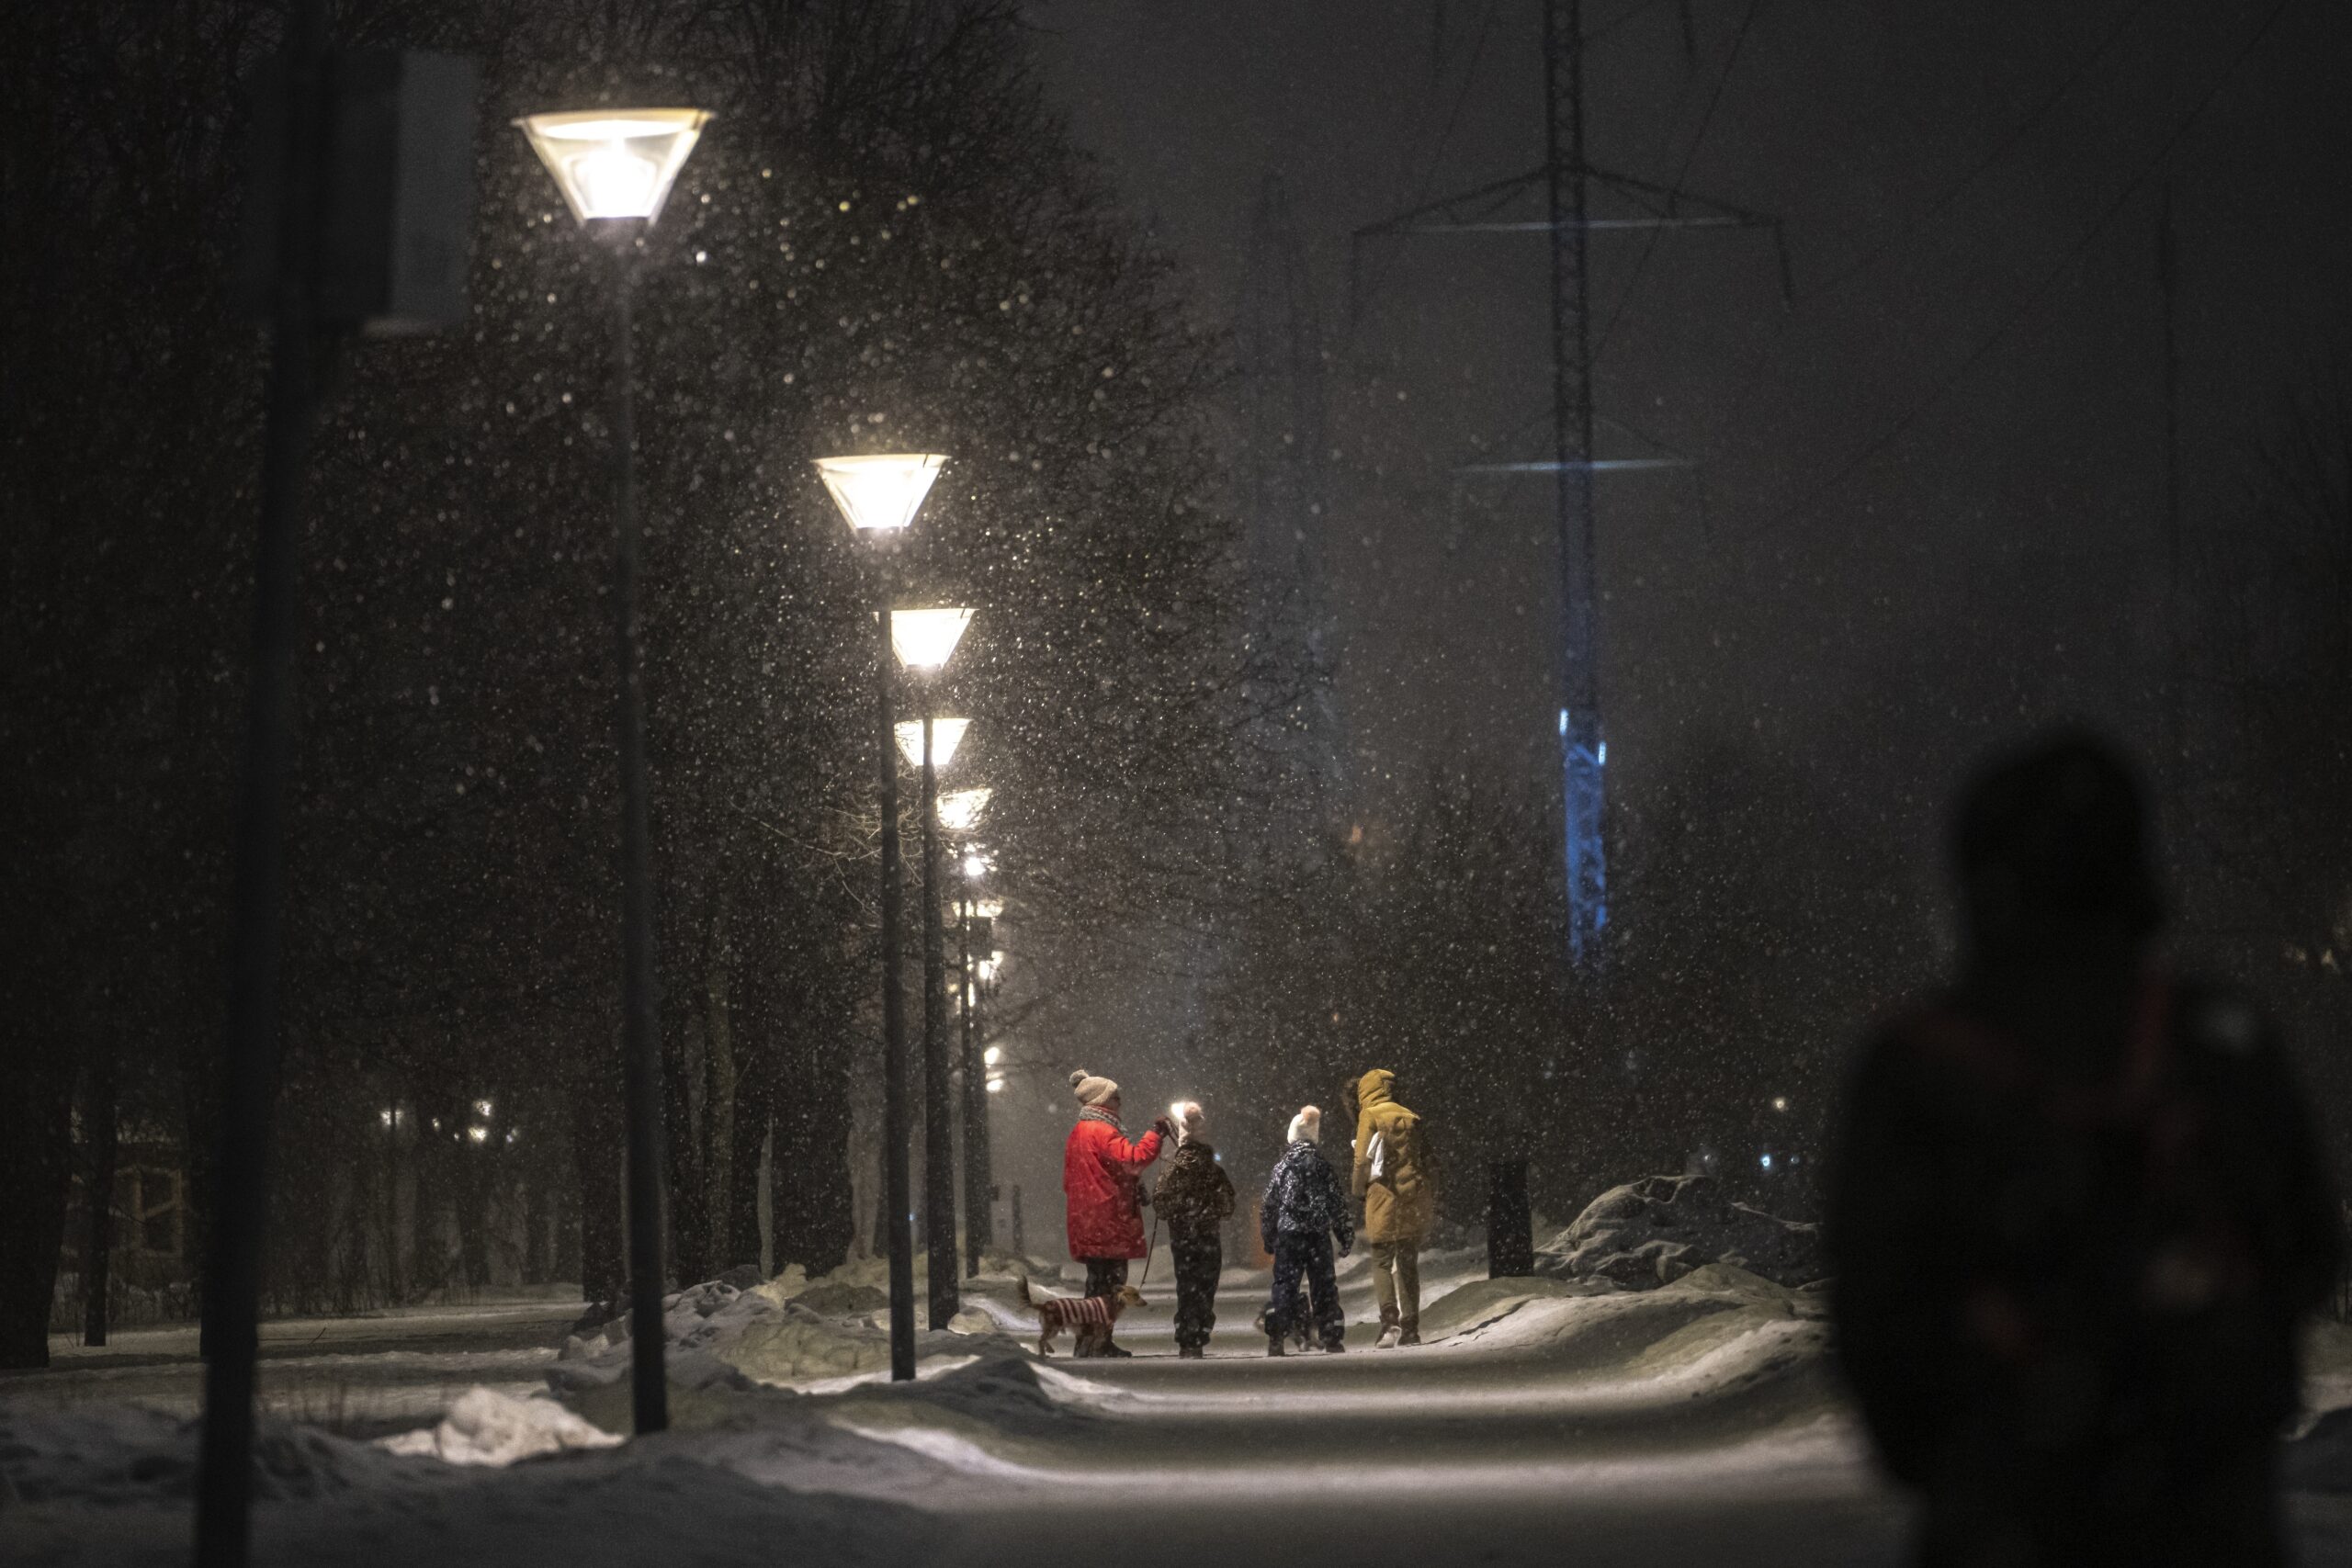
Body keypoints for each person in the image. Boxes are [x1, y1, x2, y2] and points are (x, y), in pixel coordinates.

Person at [1826, 731, 2343, 1568]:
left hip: (1999, 1514)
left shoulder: (1915, 1065)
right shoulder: (2219, 1043)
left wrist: (1978, 1434)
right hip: (2207, 1518)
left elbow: (1877, 1315)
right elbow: (2309, 1252)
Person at [1061, 1068, 1170, 1358]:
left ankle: (1088, 1342)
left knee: (1096, 1284)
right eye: (1115, 1096)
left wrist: (1129, 1186)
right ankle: (1098, 1342)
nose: (1120, 1101)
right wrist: (1156, 1135)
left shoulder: (1079, 1133)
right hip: (1106, 1220)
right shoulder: (1102, 1131)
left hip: (1088, 1219)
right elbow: (1133, 1160)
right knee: (1111, 1286)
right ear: (1101, 1101)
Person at [1351, 1067, 1435, 1349]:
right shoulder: (1412, 1116)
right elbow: (1428, 1160)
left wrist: (1357, 1189)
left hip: (1382, 1196)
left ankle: (1390, 1322)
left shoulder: (1370, 1115)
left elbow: (1361, 1161)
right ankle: (1412, 1328)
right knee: (1408, 1263)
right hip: (1412, 1197)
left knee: (1381, 1260)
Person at [1260, 1105, 1352, 1355]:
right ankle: (1332, 1336)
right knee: (1323, 1286)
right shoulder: (1323, 1166)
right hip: (1317, 1235)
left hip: (1289, 1235)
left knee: (1285, 1286)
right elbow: (1337, 1202)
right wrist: (1344, 1234)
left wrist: (1269, 1236)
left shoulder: (1282, 1167)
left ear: (1293, 1136)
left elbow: (1269, 1204)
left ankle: (1276, 1338)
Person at [1153, 1100, 1235, 1359]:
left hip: (1182, 1239)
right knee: (1205, 1286)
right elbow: (1228, 1206)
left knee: (1186, 1285)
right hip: (1208, 1237)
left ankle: (1186, 1336)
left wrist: (1179, 1214)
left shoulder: (1172, 1171)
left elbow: (1161, 1206)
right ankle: (1199, 1331)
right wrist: (1209, 1213)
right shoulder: (1214, 1170)